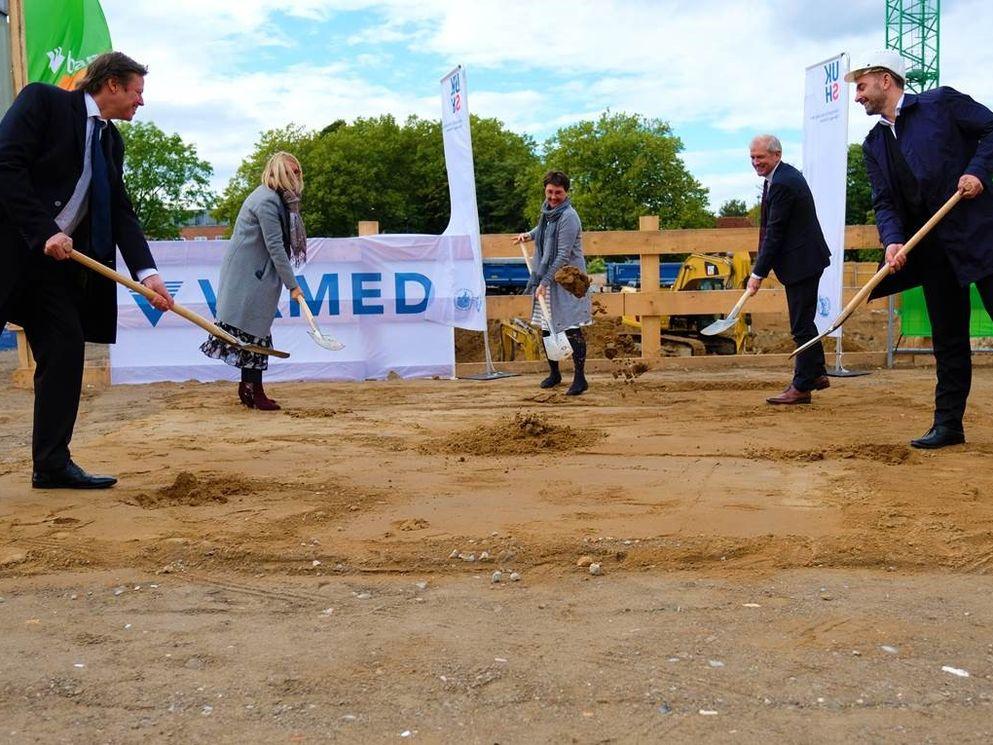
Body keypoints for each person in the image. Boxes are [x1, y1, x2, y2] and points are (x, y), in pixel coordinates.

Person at [0, 52, 174, 490]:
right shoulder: (42, 102)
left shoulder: (110, 141)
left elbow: (119, 212)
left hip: (49, 270)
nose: (141, 102)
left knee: (65, 347)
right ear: (112, 84)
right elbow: (6, 167)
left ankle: (52, 464)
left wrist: (147, 274)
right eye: (137, 91)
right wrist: (43, 229)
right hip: (7, 249)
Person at [847, 50, 993, 449]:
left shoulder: (941, 103)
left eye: (860, 86)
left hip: (980, 237)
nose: (857, 96)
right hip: (932, 252)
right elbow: (884, 202)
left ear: (885, 80)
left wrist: (977, 171)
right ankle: (948, 425)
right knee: (947, 339)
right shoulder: (874, 144)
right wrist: (892, 240)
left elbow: (991, 129)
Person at [201, 152, 307, 410]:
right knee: (253, 334)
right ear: (277, 173)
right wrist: (293, 284)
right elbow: (275, 247)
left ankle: (249, 388)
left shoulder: (279, 200)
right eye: (290, 172)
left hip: (255, 274)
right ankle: (252, 390)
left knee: (255, 333)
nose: (295, 177)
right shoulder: (268, 201)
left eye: (297, 172)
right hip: (249, 276)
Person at [747, 135, 832, 405]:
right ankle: (816, 374)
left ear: (776, 154)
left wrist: (757, 273)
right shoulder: (779, 178)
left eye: (760, 157)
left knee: (801, 326)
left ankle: (802, 386)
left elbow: (775, 233)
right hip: (803, 261)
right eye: (752, 157)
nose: (756, 162)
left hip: (803, 263)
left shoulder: (783, 182)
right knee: (804, 321)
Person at [516, 170, 592, 396]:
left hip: (567, 280)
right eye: (550, 192)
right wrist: (528, 235)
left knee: (570, 327)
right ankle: (555, 373)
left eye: (558, 193)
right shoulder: (549, 213)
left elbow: (561, 254)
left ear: (566, 192)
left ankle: (580, 378)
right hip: (548, 277)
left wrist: (545, 281)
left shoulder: (569, 216)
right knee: (547, 326)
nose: (553, 197)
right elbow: (545, 230)